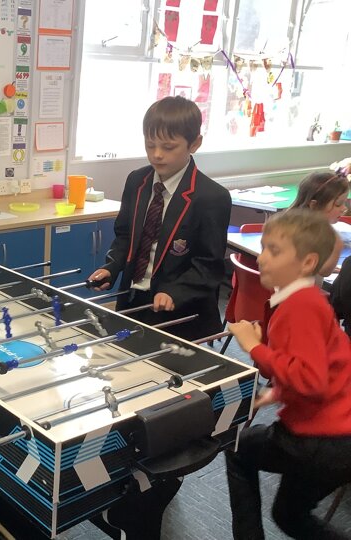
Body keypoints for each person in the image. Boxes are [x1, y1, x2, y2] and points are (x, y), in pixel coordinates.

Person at [227, 209, 351, 540]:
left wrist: (254, 347)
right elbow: (323, 368)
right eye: (263, 247)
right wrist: (278, 392)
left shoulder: (301, 305)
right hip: (336, 439)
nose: (261, 257)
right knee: (289, 516)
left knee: (238, 448)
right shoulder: (305, 301)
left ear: (307, 262)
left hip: (322, 439)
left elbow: (310, 380)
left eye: (274, 250)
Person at [87, 96, 231, 341]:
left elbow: (208, 265)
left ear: (195, 144)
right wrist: (111, 267)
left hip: (182, 312)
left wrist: (174, 292)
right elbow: (124, 236)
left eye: (168, 147)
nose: (157, 155)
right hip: (133, 301)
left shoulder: (211, 196)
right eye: (150, 145)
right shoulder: (137, 181)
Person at [287, 170, 349, 277]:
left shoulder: (291, 223)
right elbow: (324, 271)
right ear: (314, 205)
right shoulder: (307, 233)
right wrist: (337, 246)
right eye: (338, 204)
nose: (344, 209)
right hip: (300, 287)